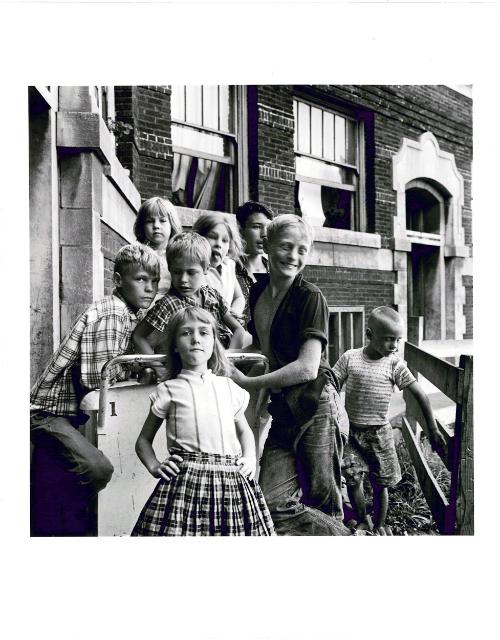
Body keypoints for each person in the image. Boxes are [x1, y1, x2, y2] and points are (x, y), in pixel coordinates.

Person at [229, 214, 350, 536]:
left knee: (322, 498)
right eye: (285, 246)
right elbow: (262, 347)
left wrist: (248, 382)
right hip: (284, 411)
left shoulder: (310, 297)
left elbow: (307, 367)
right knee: (271, 502)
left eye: (302, 250)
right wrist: (220, 359)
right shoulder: (257, 292)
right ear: (266, 245)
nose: (293, 257)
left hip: (316, 407)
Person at [30, 243, 160, 536]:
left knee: (51, 490)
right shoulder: (112, 312)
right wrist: (137, 367)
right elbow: (95, 378)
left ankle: (62, 527)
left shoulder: (126, 313)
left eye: (154, 281)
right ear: (118, 280)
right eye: (141, 279)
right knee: (97, 469)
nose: (149, 288)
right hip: (47, 413)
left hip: (65, 415)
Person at [131, 307, 275, 536]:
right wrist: (155, 466)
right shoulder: (168, 390)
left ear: (214, 344)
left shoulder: (229, 387)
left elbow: (245, 432)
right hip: (185, 483)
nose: (195, 338)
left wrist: (249, 459)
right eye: (186, 333)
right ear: (175, 347)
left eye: (204, 333)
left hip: (231, 481)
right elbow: (143, 441)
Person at [332, 306, 447, 535]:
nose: (394, 346)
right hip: (352, 432)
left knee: (380, 482)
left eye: (398, 340)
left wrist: (433, 430)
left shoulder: (395, 365)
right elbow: (332, 384)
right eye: (388, 339)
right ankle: (363, 519)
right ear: (369, 334)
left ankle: (380, 524)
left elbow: (421, 395)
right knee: (353, 479)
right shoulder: (350, 358)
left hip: (380, 435)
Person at [132, 232, 247, 362]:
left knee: (259, 364)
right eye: (177, 272)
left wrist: (227, 361)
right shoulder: (169, 303)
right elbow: (138, 336)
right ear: (169, 268)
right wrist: (158, 368)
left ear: (206, 269)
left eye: (191, 273)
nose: (183, 280)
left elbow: (238, 330)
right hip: (186, 368)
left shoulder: (212, 296)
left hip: (217, 364)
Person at [192, 213, 246, 319]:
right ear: (199, 237)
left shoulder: (228, 266)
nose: (219, 244)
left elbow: (239, 297)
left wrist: (235, 311)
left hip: (227, 329)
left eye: (225, 241)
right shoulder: (193, 269)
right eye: (212, 237)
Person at [133, 196, 182, 299]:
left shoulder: (178, 254)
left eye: (162, 220)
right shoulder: (137, 254)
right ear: (142, 226)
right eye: (149, 221)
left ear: (172, 224)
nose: (156, 225)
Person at [235, 201, 274, 326]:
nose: (263, 234)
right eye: (257, 227)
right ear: (241, 231)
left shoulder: (275, 270)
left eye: (267, 228)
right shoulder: (229, 269)